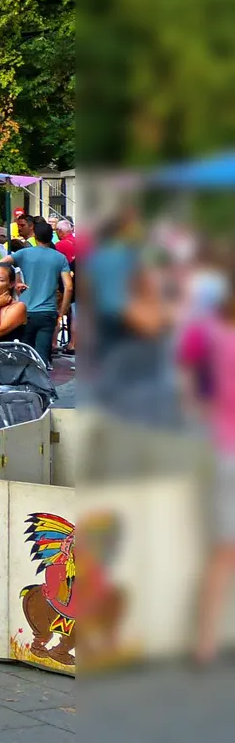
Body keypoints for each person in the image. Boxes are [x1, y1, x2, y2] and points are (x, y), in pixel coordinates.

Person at [177, 273, 235, 665]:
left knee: (222, 549)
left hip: (220, 444)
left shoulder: (207, 330)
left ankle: (206, 641)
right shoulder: (210, 330)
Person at [4, 221, 72, 364]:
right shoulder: (60, 258)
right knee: (41, 355)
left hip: (25, 310)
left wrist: (14, 281)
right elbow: (69, 287)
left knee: (25, 351)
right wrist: (62, 311)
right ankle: (41, 382)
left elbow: (1, 263)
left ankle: (26, 382)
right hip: (48, 311)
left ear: (35, 235)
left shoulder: (24, 254)